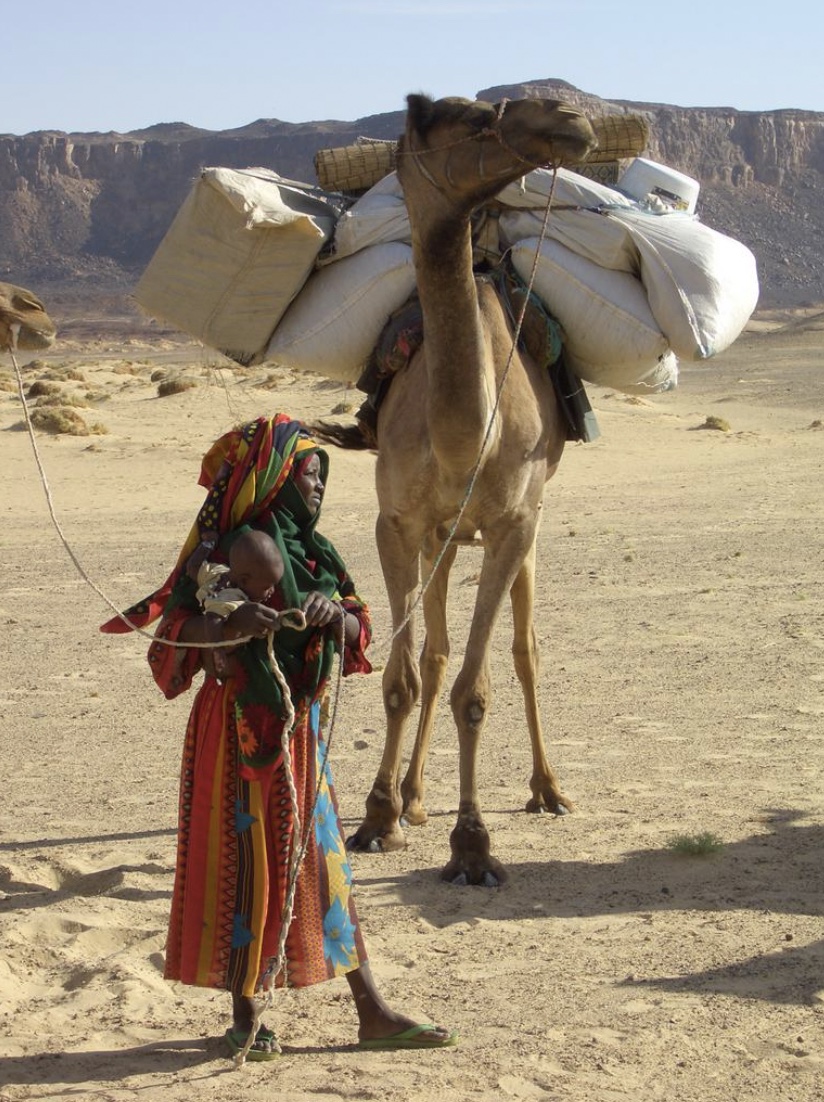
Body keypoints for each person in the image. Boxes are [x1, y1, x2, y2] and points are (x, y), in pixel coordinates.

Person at [101, 413, 456, 1061]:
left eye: (322, 475)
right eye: (307, 473)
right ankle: (247, 1019)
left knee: (323, 861)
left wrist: (333, 618)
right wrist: (232, 628)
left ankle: (371, 1011)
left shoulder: (317, 553)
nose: (318, 486)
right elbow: (175, 635)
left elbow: (360, 629)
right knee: (244, 863)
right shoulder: (222, 554)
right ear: (273, 477)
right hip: (234, 730)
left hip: (301, 730)